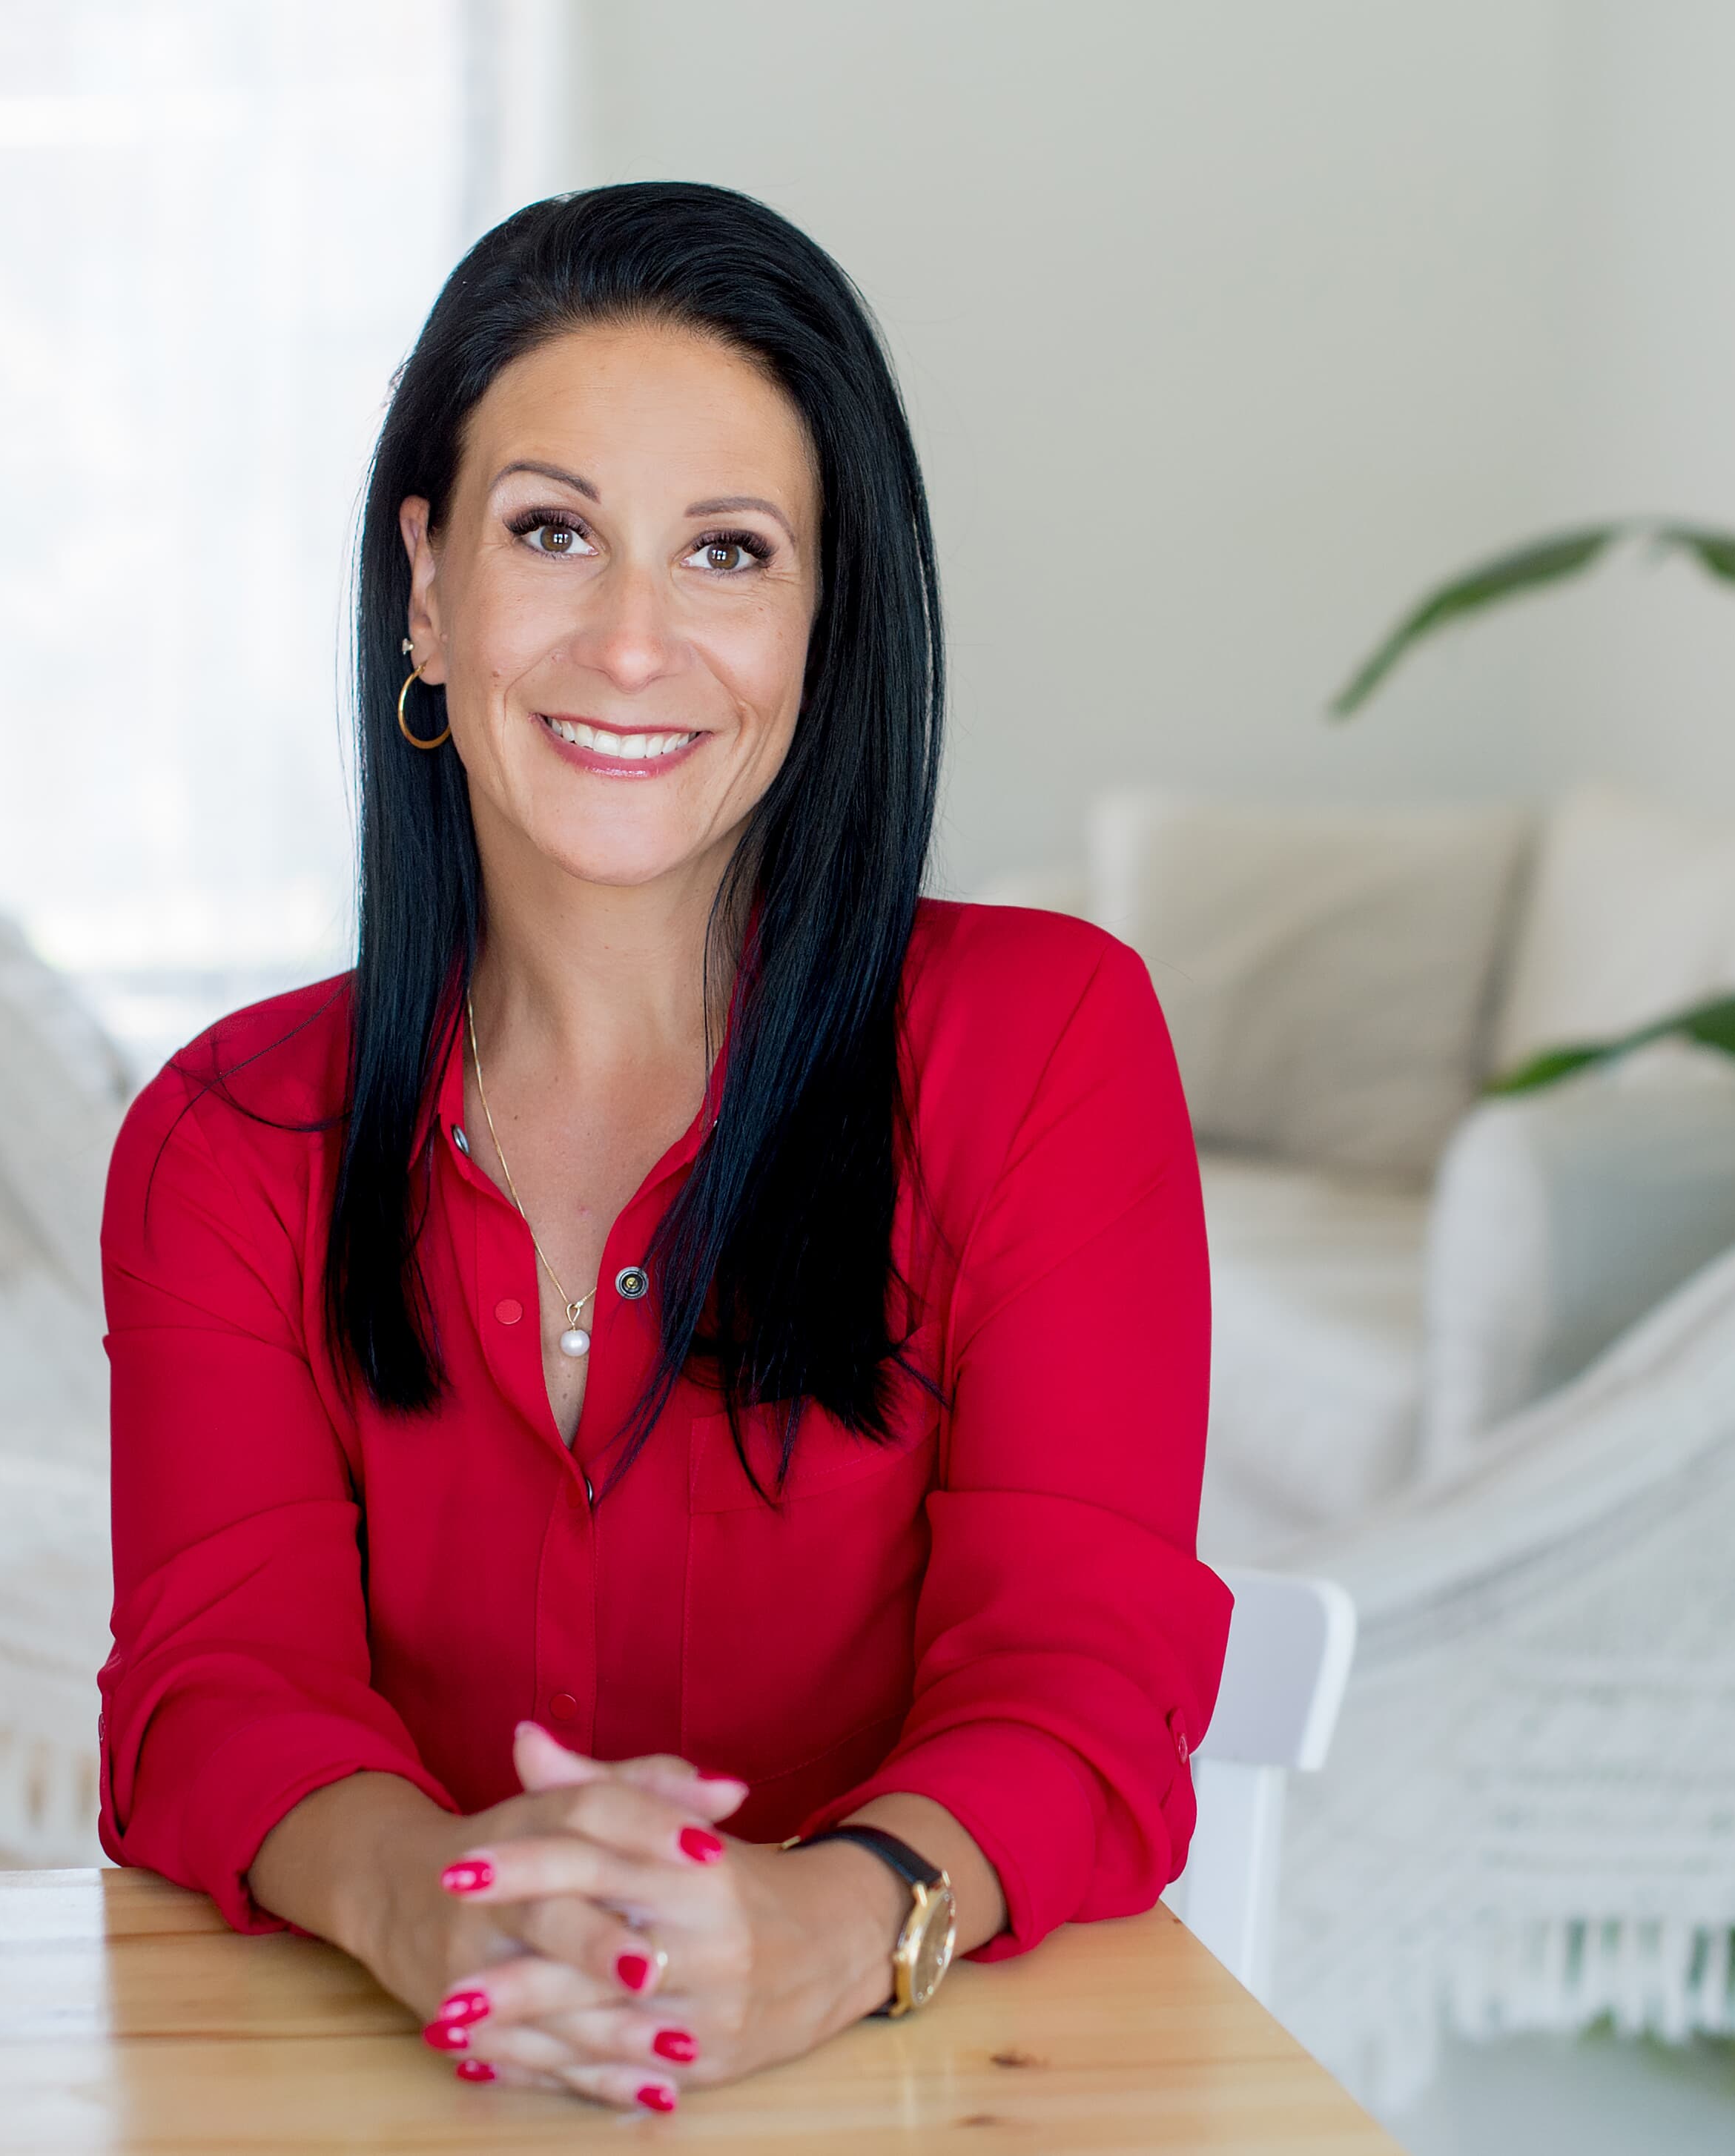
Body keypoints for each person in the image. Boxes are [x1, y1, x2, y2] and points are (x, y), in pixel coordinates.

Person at [97, 181, 1227, 2113]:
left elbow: (1084, 1685)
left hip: (925, 2085)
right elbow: (214, 1697)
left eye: (727, 552)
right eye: (554, 532)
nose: (633, 643)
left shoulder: (1047, 1044)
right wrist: (432, 1907)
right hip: (401, 2085)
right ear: (428, 590)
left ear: (821, 622)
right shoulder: (223, 1140)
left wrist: (829, 1926)